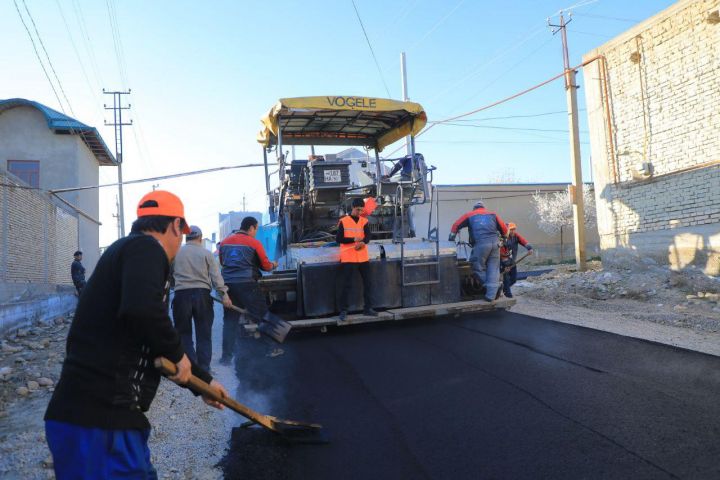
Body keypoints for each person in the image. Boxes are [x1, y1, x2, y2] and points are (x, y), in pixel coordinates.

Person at [44, 190, 228, 479]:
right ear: (176, 225)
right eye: (181, 236)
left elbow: (149, 334)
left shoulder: (126, 252)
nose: (179, 245)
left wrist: (204, 383)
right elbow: (143, 310)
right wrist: (178, 354)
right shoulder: (146, 248)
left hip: (95, 420)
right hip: (101, 422)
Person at [172, 225, 232, 372]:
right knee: (204, 334)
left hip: (181, 296)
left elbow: (169, 276)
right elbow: (216, 277)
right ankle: (204, 368)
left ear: (186, 237)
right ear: (200, 238)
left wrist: (176, 286)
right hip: (202, 296)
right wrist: (224, 295)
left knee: (183, 334)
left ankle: (192, 369)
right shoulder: (206, 254)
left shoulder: (175, 253)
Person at [218, 216, 277, 364]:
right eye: (256, 229)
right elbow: (266, 266)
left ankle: (226, 358)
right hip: (247, 285)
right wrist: (274, 265)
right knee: (263, 315)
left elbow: (222, 263)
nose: (256, 232)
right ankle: (271, 348)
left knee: (230, 322)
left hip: (229, 286)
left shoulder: (224, 243)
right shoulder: (254, 243)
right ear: (251, 227)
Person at [449, 200, 509, 301]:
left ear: (474, 208)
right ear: (484, 208)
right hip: (495, 244)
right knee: (493, 268)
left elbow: (456, 225)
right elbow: (504, 229)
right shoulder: (493, 214)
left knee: (476, 266)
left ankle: (493, 287)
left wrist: (451, 238)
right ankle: (491, 295)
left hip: (481, 244)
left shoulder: (469, 215)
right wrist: (504, 238)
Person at [336, 198, 377, 320]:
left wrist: (363, 242)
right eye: (358, 209)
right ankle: (343, 311)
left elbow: (368, 236)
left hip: (363, 257)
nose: (360, 212)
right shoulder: (343, 221)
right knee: (346, 285)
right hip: (349, 258)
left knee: (368, 283)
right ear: (352, 207)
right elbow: (339, 239)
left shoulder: (364, 221)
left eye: (361, 210)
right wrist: (353, 239)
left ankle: (368, 308)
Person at [500, 223, 533, 298]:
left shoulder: (516, 236)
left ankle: (503, 289)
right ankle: (508, 294)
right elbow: (501, 251)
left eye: (514, 229)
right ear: (507, 230)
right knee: (506, 278)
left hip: (512, 261)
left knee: (513, 279)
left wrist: (529, 248)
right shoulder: (503, 238)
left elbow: (523, 241)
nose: (512, 231)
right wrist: (505, 264)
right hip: (504, 262)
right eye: (511, 230)